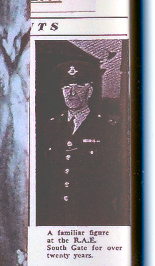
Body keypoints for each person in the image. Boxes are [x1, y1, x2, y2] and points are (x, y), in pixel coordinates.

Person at [37, 52, 123, 225]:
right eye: (66, 87)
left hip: (93, 217)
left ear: (89, 91)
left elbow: (117, 178)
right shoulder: (50, 126)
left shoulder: (106, 128)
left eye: (78, 87)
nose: (71, 93)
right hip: (55, 217)